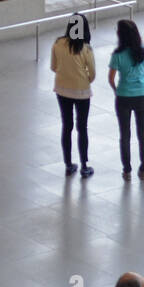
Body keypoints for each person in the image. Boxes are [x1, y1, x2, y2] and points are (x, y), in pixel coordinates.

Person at [50, 12, 96, 177]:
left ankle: (68, 164)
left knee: (67, 126)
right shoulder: (86, 49)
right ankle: (84, 165)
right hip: (82, 91)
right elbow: (92, 74)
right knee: (82, 127)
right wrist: (84, 80)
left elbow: (53, 67)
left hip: (62, 90)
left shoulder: (58, 43)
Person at [108, 19, 144, 180]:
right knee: (143, 134)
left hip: (123, 97)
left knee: (125, 135)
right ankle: (143, 169)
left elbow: (111, 79)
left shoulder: (117, 55)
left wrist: (117, 91)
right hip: (142, 95)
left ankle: (127, 170)